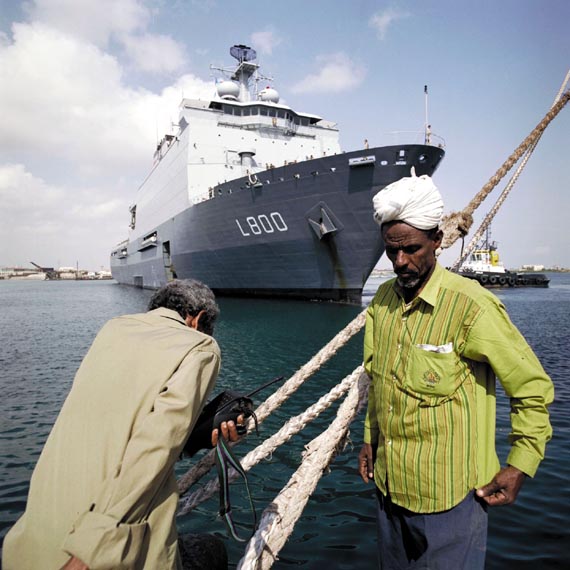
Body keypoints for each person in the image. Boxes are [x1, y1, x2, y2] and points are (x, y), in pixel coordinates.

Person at [358, 170, 554, 569]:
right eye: (391, 250)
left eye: (411, 249)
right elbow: (377, 379)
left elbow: (531, 387)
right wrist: (369, 437)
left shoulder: (472, 306)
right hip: (389, 489)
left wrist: (520, 463)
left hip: (451, 501)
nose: (400, 261)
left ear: (437, 241)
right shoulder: (382, 301)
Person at [3, 279, 240, 570]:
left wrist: (193, 439)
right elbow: (154, 447)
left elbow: (117, 427)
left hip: (28, 548)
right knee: (212, 550)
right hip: (91, 554)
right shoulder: (200, 347)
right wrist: (92, 551)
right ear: (198, 319)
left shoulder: (113, 329)